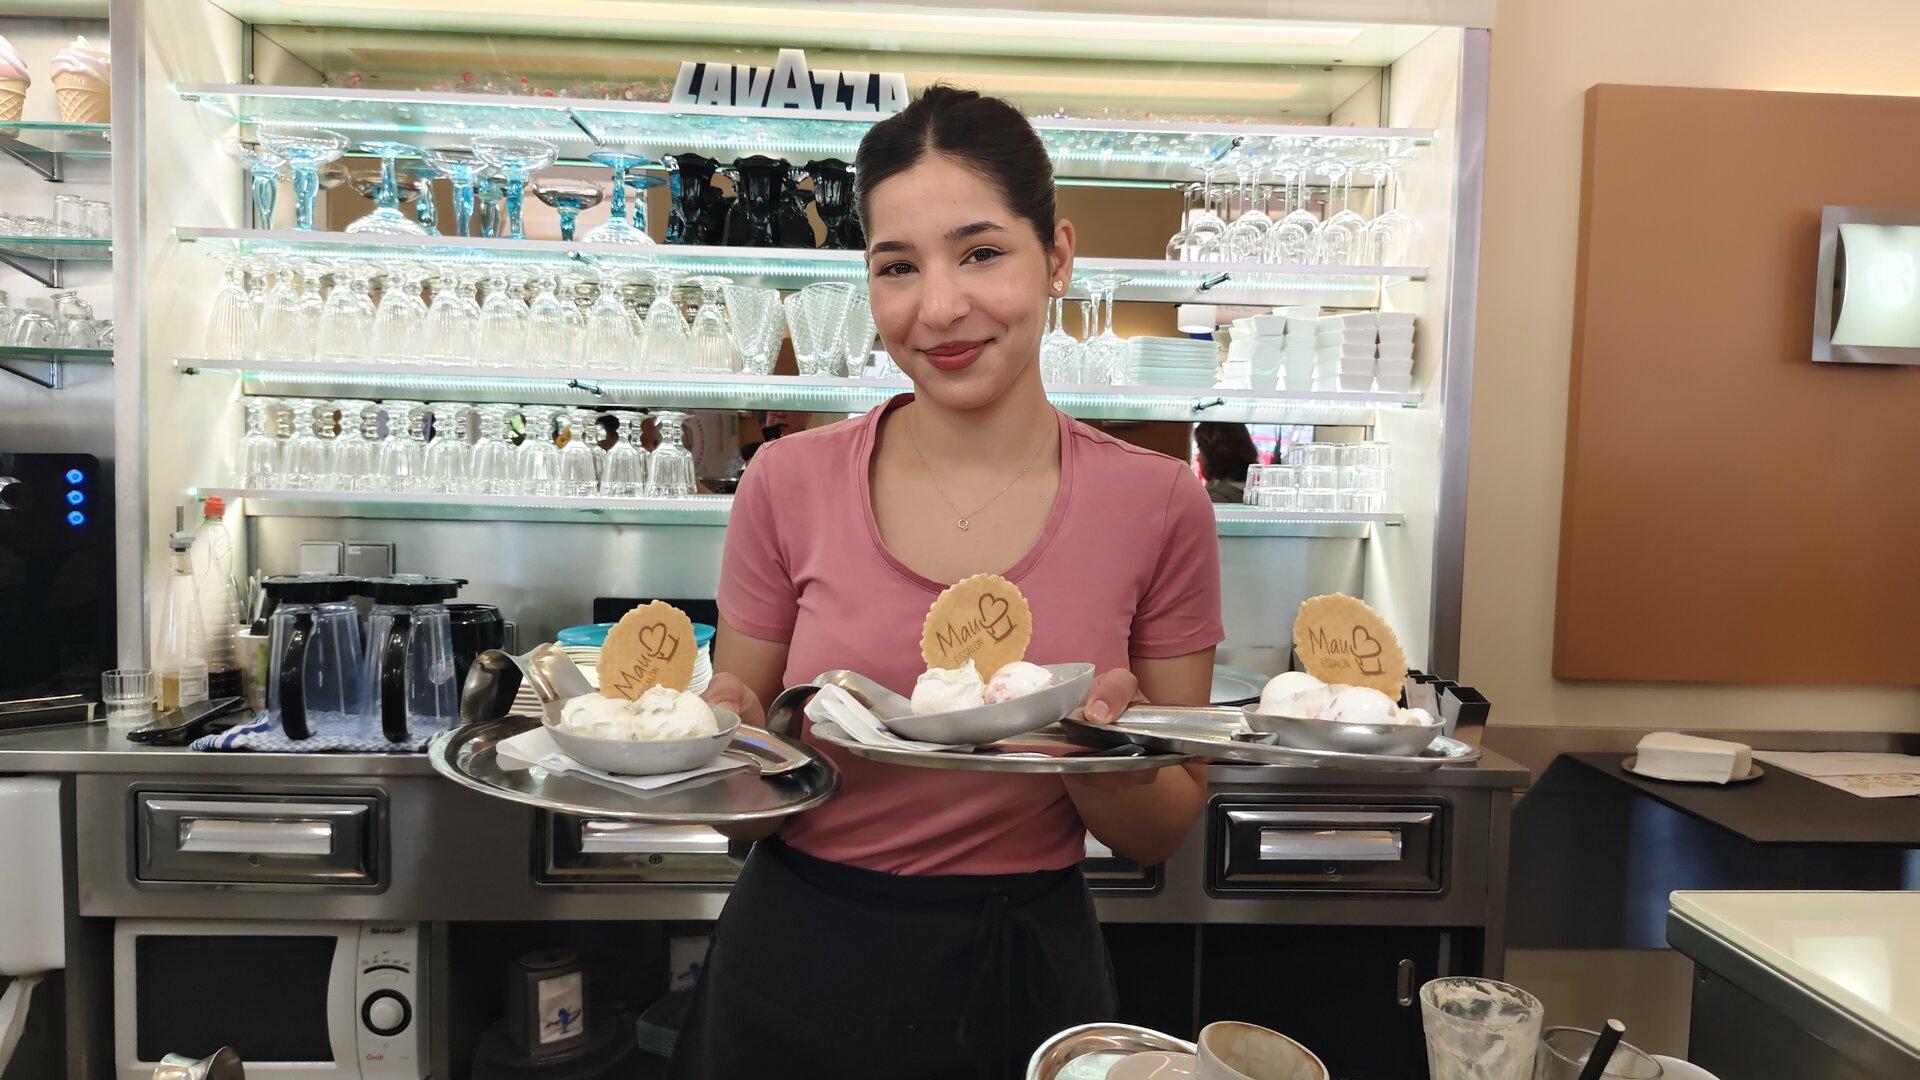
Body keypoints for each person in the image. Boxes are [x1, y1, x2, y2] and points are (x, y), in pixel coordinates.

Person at [668, 85, 1223, 1080]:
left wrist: (1099, 754)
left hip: (1022, 968)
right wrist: (730, 737)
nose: (938, 308)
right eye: (897, 266)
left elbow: (1163, 831)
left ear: (1056, 257)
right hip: (795, 957)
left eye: (980, 253)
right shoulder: (786, 482)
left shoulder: (1157, 504)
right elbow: (736, 798)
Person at [1194, 421, 1259, 504]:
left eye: (1200, 449)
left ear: (1215, 454)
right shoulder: (1255, 491)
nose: (1197, 457)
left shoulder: (1216, 497)